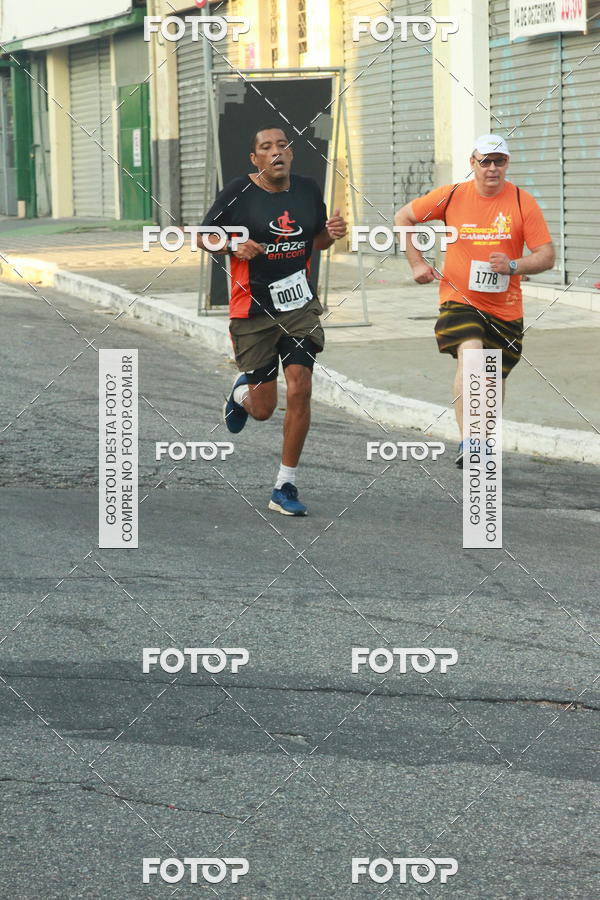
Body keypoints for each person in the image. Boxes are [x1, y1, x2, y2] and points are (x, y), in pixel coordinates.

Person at [198, 126, 347, 514]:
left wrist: (331, 235)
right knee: (263, 409)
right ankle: (241, 393)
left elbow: (314, 240)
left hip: (299, 307)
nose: (276, 152)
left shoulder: (309, 189)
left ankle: (285, 485)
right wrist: (232, 244)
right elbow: (202, 236)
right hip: (252, 311)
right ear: (255, 159)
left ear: (292, 154)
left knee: (301, 387)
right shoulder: (238, 191)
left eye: (283, 146)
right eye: (266, 147)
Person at [394, 134, 555, 467]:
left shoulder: (524, 203)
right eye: (485, 161)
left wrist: (513, 265)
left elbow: (546, 256)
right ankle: (468, 441)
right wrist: (416, 262)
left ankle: (484, 439)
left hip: (505, 305)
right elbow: (403, 218)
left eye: (499, 161)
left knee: (492, 377)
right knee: (471, 359)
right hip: (459, 298)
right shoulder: (452, 195)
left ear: (507, 163)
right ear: (473, 163)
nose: (492, 168)